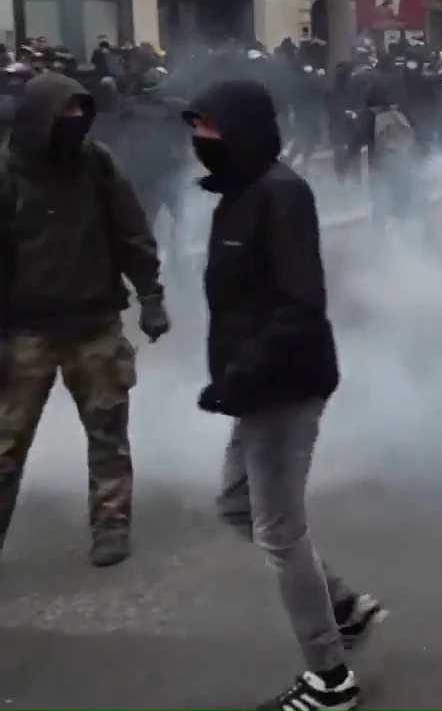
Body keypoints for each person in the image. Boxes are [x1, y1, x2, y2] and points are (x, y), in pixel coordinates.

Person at [185, 78, 386, 711]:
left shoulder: (282, 194)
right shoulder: (240, 192)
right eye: (195, 128)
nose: (199, 140)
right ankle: (344, 607)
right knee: (235, 505)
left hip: (283, 385)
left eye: (211, 129)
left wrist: (241, 376)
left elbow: (301, 305)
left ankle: (329, 679)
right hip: (254, 385)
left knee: (277, 529)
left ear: (243, 131)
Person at [0, 71, 170, 568]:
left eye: (81, 112)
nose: (76, 122)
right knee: (6, 446)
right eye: (65, 113)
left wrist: (151, 295)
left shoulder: (96, 164)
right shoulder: (8, 174)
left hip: (94, 324)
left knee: (107, 434)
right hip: (27, 332)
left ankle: (111, 523)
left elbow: (131, 231)